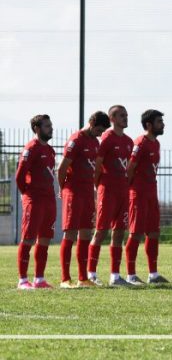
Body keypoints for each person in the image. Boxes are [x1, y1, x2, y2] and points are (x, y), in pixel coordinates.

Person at [57, 111, 110, 288]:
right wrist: (63, 189)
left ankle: (82, 278)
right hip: (73, 192)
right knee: (70, 234)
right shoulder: (76, 140)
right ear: (91, 123)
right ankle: (65, 279)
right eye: (99, 130)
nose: (100, 134)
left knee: (86, 233)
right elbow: (62, 168)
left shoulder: (95, 142)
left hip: (87, 193)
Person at [87, 105, 134, 287]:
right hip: (107, 191)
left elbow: (128, 167)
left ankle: (115, 276)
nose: (125, 118)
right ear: (112, 118)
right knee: (101, 231)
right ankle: (91, 273)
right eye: (122, 115)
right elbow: (97, 165)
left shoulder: (129, 141)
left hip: (123, 191)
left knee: (119, 232)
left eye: (126, 115)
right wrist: (99, 187)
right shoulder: (106, 138)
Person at [124, 109, 168, 285]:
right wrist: (130, 192)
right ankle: (131, 275)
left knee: (154, 232)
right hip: (138, 194)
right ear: (149, 125)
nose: (163, 125)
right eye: (159, 122)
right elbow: (129, 169)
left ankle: (153, 274)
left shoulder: (156, 143)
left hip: (151, 193)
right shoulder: (140, 143)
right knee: (136, 233)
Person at [15, 115, 56, 289]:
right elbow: (20, 175)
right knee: (28, 238)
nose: (51, 128)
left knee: (45, 239)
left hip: (49, 199)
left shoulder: (50, 150)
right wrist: (26, 194)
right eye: (47, 126)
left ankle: (39, 279)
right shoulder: (31, 148)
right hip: (34, 199)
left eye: (51, 125)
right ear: (37, 129)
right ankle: (23, 281)